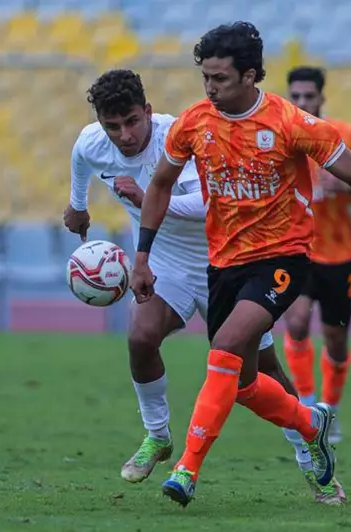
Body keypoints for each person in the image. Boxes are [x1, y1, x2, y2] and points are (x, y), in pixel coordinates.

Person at [130, 22, 351, 507]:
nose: (210, 87)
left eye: (220, 78)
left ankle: (187, 468)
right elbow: (159, 185)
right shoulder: (194, 122)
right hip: (224, 264)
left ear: (250, 76)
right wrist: (142, 257)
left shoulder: (290, 123)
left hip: (282, 258)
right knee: (241, 383)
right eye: (205, 77)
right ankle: (311, 424)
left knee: (227, 345)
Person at [63, 68, 299, 485]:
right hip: (165, 264)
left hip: (225, 264)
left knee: (261, 376)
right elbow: (81, 160)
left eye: (132, 121)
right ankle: (157, 435)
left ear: (148, 111)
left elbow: (210, 204)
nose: (124, 135)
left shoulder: (180, 138)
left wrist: (148, 198)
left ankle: (308, 443)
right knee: (141, 337)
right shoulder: (92, 142)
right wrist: (77, 205)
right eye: (112, 126)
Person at [280, 67, 351, 460]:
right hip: (297, 251)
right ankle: (308, 404)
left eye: (309, 96)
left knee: (336, 341)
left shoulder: (345, 136)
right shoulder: (281, 136)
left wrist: (345, 183)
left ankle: (331, 409)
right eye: (296, 96)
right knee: (295, 321)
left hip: (339, 257)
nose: (302, 103)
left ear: (321, 98)